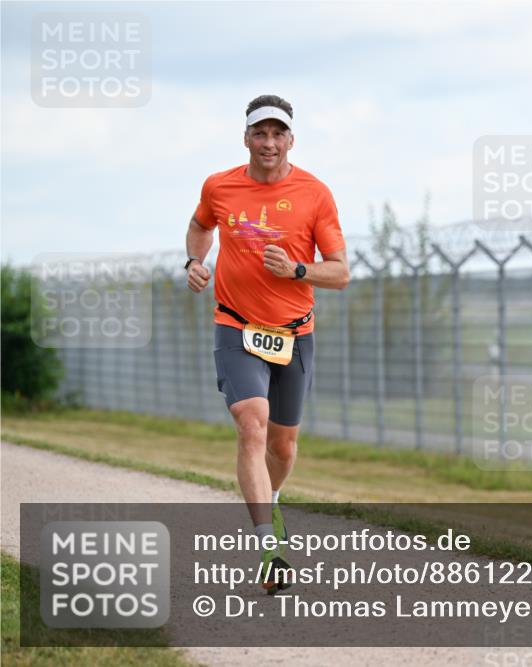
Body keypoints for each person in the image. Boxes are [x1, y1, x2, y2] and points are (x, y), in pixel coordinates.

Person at [185, 94, 350, 593]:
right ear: (246, 139)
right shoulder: (220, 186)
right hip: (236, 325)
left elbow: (340, 273)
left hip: (294, 334)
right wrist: (193, 263)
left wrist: (299, 270)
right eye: (261, 133)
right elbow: (199, 226)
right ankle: (269, 548)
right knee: (251, 426)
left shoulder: (315, 194)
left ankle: (269, 500)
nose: (269, 143)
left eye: (278, 134)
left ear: (291, 140)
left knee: (282, 445)